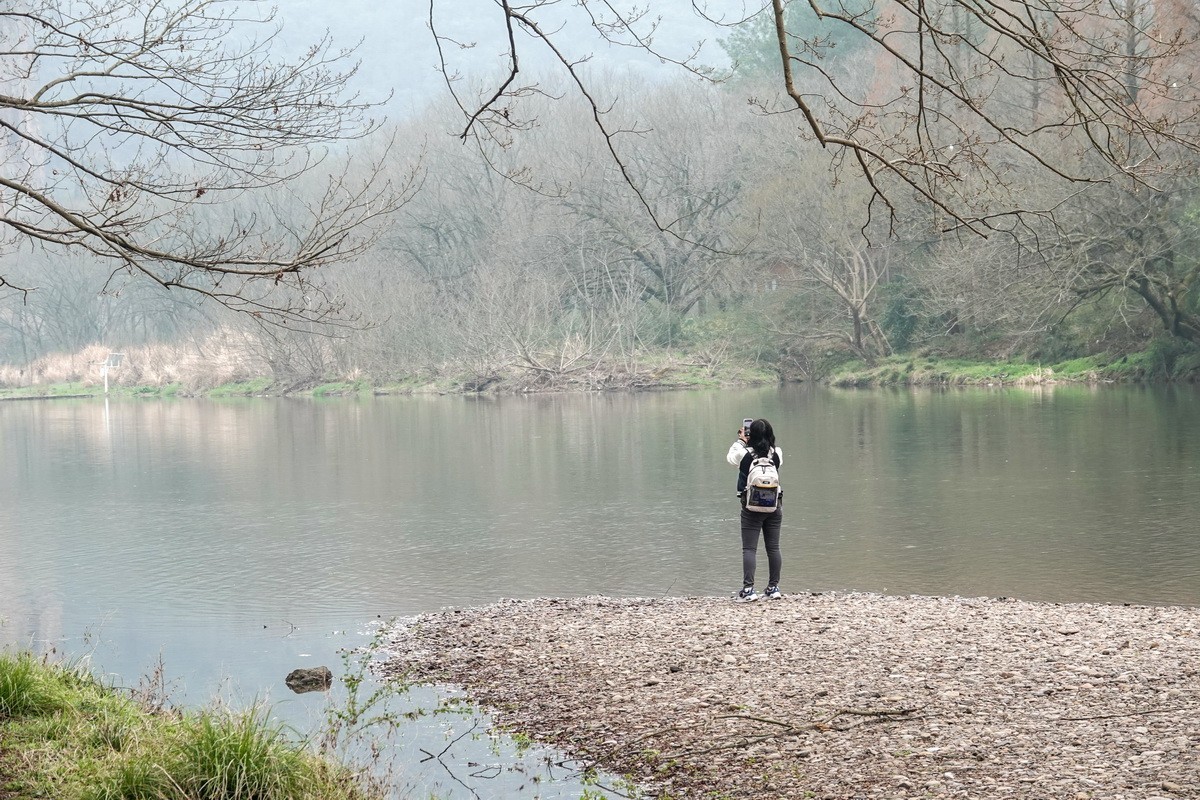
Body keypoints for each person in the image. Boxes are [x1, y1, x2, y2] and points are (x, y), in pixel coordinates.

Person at [726, 418, 783, 601]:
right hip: (774, 507)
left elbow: (730, 457)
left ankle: (749, 590)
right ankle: (773, 588)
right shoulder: (777, 454)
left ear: (750, 435)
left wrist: (742, 441)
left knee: (749, 549)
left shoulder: (744, 454)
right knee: (773, 548)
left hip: (751, 508)